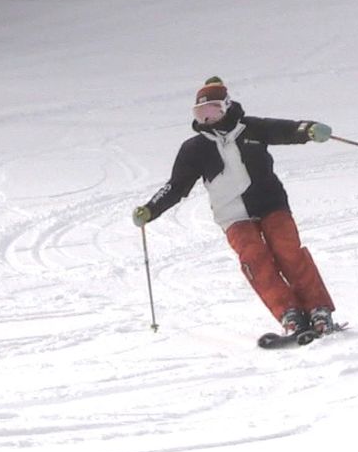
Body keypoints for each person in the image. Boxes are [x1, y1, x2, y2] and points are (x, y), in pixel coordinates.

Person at [132, 77, 338, 336]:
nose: (207, 118)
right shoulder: (194, 149)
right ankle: (289, 313)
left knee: (288, 251)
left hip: (270, 202)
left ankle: (319, 309)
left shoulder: (250, 128)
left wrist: (309, 130)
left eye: (213, 110)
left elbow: (286, 130)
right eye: (201, 113)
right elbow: (177, 186)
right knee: (255, 259)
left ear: (226, 106)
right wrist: (151, 209)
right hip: (232, 214)